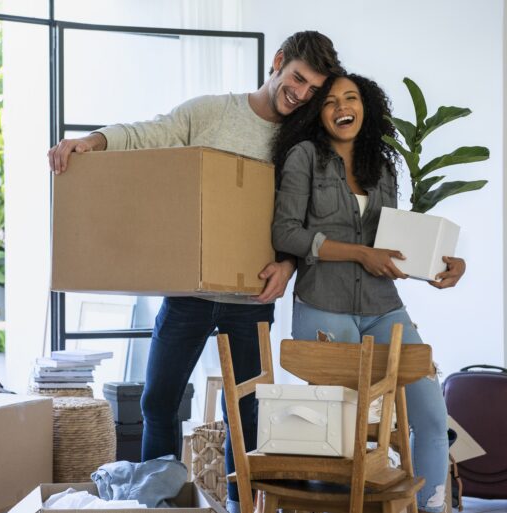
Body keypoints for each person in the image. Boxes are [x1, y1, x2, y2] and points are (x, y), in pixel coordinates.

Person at [48, 31, 344, 513]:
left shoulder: (301, 139)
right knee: (157, 402)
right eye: (297, 80)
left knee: (244, 415)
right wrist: (92, 141)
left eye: (312, 90)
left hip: (253, 298)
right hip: (190, 292)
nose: (302, 94)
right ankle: (157, 502)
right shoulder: (212, 112)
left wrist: (288, 265)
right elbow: (151, 132)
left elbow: (307, 215)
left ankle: (239, 505)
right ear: (277, 62)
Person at [271, 73, 465, 513]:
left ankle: (434, 507)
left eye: (351, 97)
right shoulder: (304, 157)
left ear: (366, 107)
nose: (343, 106)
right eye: (330, 100)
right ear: (317, 114)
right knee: (343, 432)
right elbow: (286, 232)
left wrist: (444, 264)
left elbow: (393, 246)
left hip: (384, 307)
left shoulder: (382, 166)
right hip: (324, 305)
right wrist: (359, 254)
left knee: (432, 418)